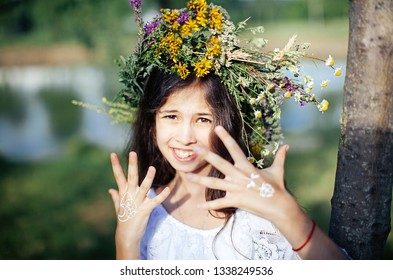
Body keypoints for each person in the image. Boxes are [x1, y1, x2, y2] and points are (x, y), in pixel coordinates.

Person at [107, 0, 347, 260]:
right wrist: (126, 240)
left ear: (228, 122)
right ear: (151, 122)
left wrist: (287, 213)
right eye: (171, 116)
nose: (185, 138)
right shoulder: (143, 209)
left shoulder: (257, 210)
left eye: (203, 119)